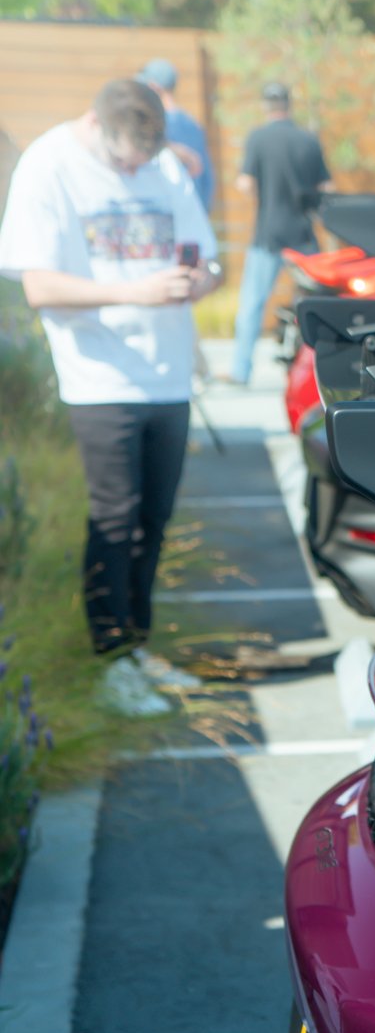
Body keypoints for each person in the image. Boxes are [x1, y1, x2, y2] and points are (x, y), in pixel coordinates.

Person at [0, 78, 220, 715]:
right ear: (95, 126)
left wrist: (197, 281)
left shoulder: (162, 164)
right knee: (114, 520)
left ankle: (138, 647)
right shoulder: (50, 164)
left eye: (142, 162)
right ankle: (110, 662)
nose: (134, 171)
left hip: (168, 374)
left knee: (154, 520)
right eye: (124, 161)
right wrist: (137, 292)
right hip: (100, 379)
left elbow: (207, 259)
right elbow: (39, 286)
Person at [230, 82, 330, 384]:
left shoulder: (257, 139)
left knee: (251, 305)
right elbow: (326, 190)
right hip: (302, 236)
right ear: (289, 104)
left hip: (268, 234)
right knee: (317, 307)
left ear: (266, 106)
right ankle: (318, 371)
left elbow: (245, 183)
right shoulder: (308, 140)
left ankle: (240, 372)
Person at [139, 59, 214, 215]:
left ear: (154, 87)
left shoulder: (154, 125)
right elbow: (207, 178)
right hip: (194, 213)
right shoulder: (192, 124)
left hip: (168, 216)